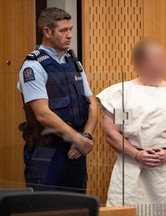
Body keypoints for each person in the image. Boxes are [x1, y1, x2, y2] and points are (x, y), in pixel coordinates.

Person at [96, 38, 166, 213]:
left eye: (161, 58)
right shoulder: (122, 93)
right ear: (140, 62)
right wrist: (137, 154)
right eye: (155, 58)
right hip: (131, 166)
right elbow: (112, 132)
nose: (160, 63)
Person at [17, 7, 97, 193]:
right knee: (45, 208)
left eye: (70, 29)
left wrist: (85, 137)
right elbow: (42, 113)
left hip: (76, 151)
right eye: (63, 30)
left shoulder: (74, 62)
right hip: (47, 150)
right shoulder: (33, 66)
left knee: (77, 208)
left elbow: (92, 104)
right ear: (47, 32)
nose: (69, 35)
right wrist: (78, 139)